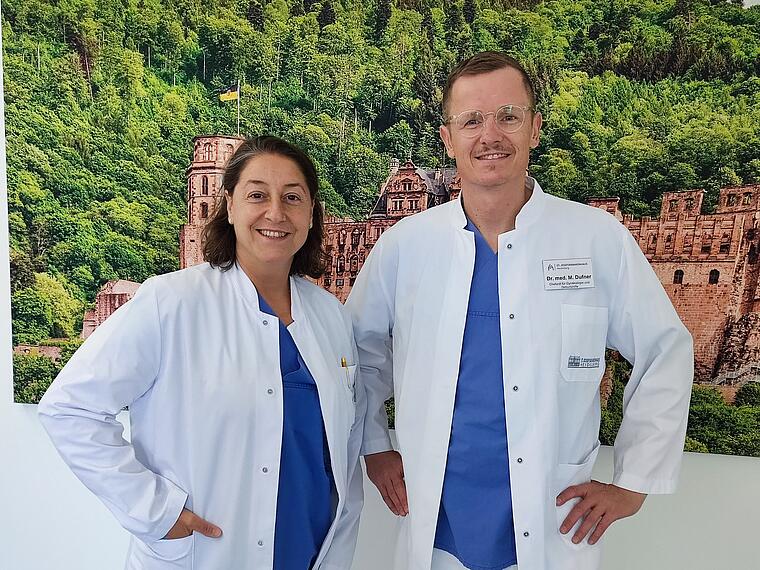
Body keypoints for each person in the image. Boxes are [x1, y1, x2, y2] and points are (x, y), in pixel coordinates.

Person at [346, 52, 693, 570]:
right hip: (438, 520)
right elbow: (359, 353)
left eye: (508, 116)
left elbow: (665, 349)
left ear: (535, 127)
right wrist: (374, 443)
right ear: (448, 138)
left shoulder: (596, 239)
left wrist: (634, 481)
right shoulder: (405, 245)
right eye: (471, 121)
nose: (490, 135)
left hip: (554, 518)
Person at [38, 136, 364, 570]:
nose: (275, 213)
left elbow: (342, 444)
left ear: (310, 214)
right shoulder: (171, 301)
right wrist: (155, 510)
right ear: (229, 206)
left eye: (292, 197)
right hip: (205, 552)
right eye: (257, 195)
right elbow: (69, 408)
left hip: (310, 551)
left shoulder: (331, 316)